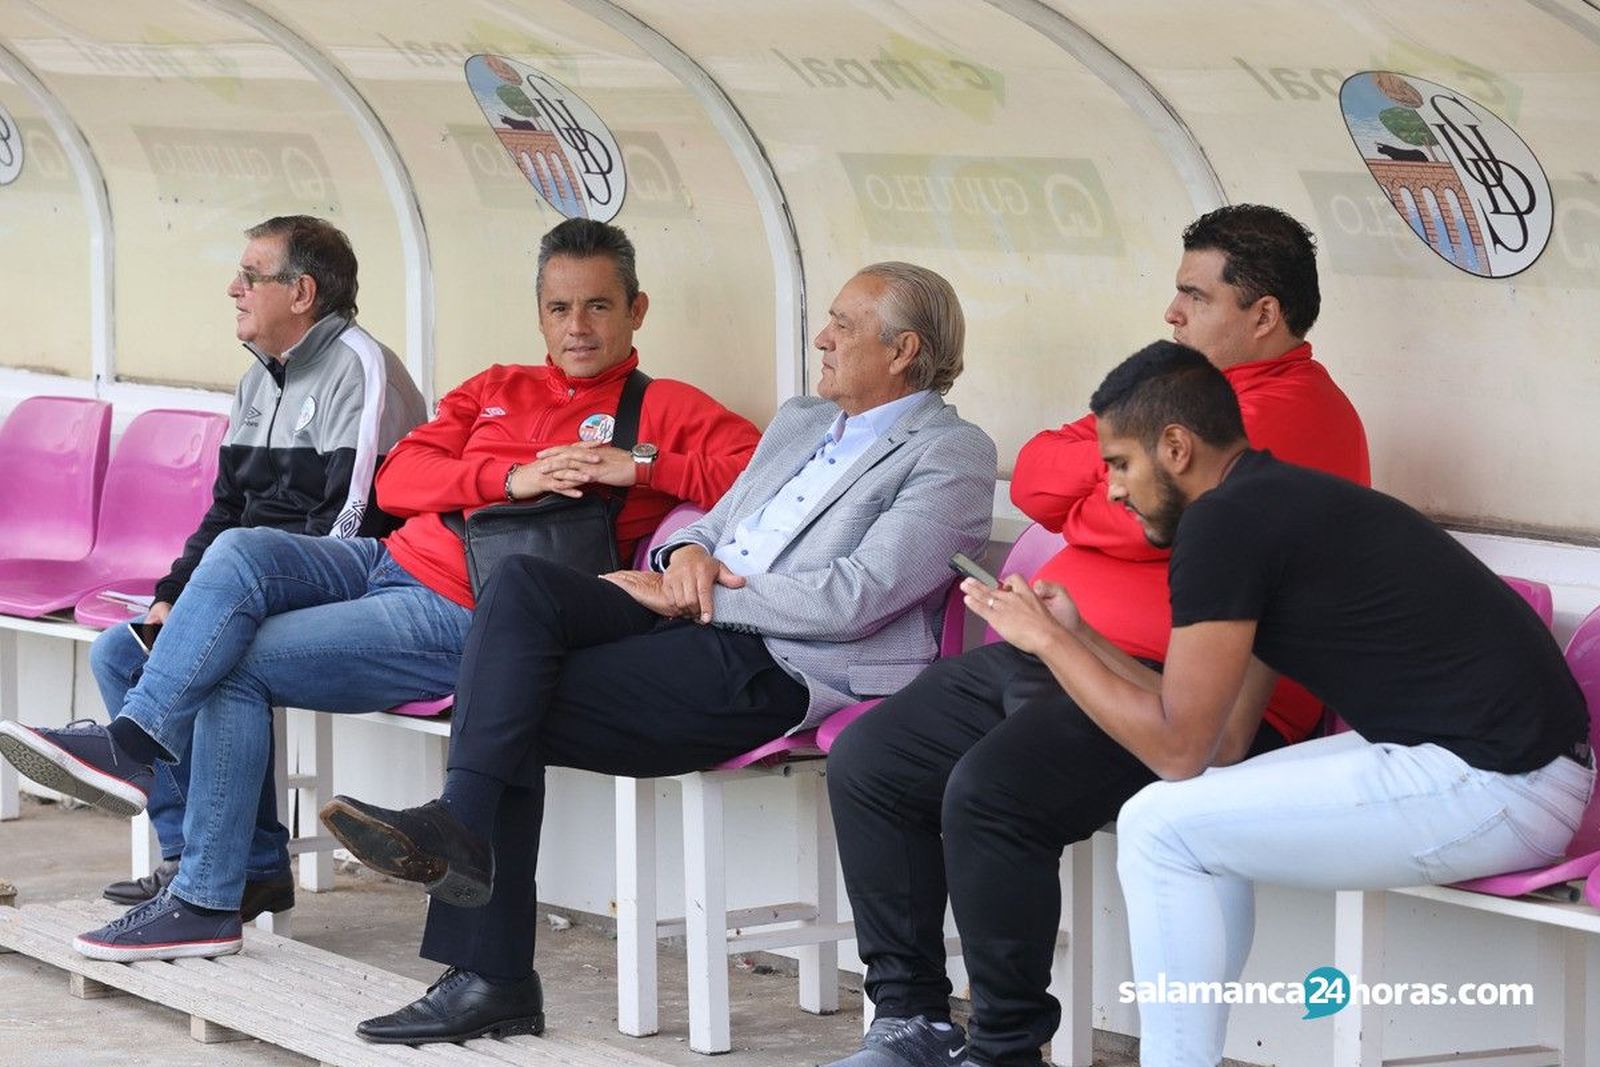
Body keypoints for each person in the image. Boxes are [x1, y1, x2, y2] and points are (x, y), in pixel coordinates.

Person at [0, 217, 761, 962]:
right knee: (239, 551)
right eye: (560, 308)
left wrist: (643, 467)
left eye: (599, 305)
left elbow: (762, 467)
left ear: (637, 309)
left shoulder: (666, 407)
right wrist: (507, 476)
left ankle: (202, 892)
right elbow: (400, 477)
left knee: (233, 659)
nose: (579, 326)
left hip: (464, 609)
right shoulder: (497, 386)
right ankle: (144, 740)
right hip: (384, 562)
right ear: (539, 314)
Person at [318, 261, 997, 1046]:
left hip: (781, 656)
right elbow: (712, 521)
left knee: (506, 699)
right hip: (695, 614)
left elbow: (859, 595)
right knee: (521, 590)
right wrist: (681, 557)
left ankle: (488, 962)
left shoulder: (951, 454)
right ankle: (464, 842)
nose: (823, 337)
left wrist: (701, 595)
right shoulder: (805, 420)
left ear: (905, 350)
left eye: (844, 325)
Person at [822, 204, 1370, 1067]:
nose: (1172, 313)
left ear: (1264, 315)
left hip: (1189, 692)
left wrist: (1106, 500)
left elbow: (1145, 524)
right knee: (872, 761)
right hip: (1054, 646)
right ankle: (911, 1017)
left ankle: (1005, 1047)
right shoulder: (1179, 392)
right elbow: (1042, 472)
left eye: (1195, 295)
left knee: (991, 794)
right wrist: (1115, 478)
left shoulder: (1297, 410)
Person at [972, 341, 1591, 1066]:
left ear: (1175, 446)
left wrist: (1049, 643)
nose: (1111, 490)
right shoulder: (1263, 503)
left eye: (1119, 464)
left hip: (1504, 784)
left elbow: (1175, 749)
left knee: (1157, 824)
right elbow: (1223, 737)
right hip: (1496, 767)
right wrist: (1080, 637)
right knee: (1194, 813)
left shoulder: (1223, 525)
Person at [89, 214, 428, 922]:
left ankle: (220, 852)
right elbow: (225, 511)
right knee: (123, 651)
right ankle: (222, 862)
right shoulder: (256, 382)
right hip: (252, 579)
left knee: (216, 650)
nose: (233, 288)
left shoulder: (361, 366)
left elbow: (354, 521)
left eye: (251, 275)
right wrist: (175, 598)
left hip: (351, 582)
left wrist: (238, 603)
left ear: (301, 291)